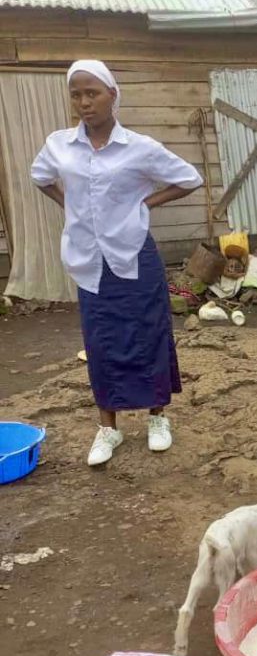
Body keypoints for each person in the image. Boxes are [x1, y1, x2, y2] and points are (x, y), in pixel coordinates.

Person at [31, 60, 203, 466]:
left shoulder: (139, 147)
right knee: (101, 341)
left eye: (92, 93)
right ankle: (108, 428)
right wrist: (71, 206)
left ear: (112, 95)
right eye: (76, 95)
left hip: (134, 255)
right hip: (89, 260)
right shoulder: (60, 145)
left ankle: (157, 417)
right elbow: (40, 176)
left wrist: (145, 204)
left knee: (149, 333)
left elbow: (189, 178)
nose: (84, 102)